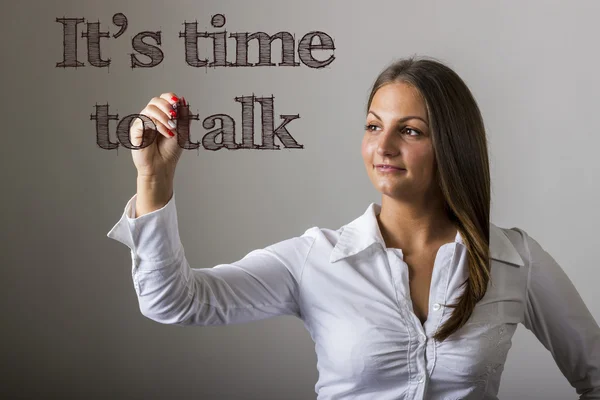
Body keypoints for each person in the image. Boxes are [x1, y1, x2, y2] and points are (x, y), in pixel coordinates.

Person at [107, 56, 600, 399]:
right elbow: (173, 302)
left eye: (409, 130)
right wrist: (154, 178)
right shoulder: (315, 259)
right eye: (372, 126)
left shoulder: (514, 259)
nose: (382, 146)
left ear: (453, 145)